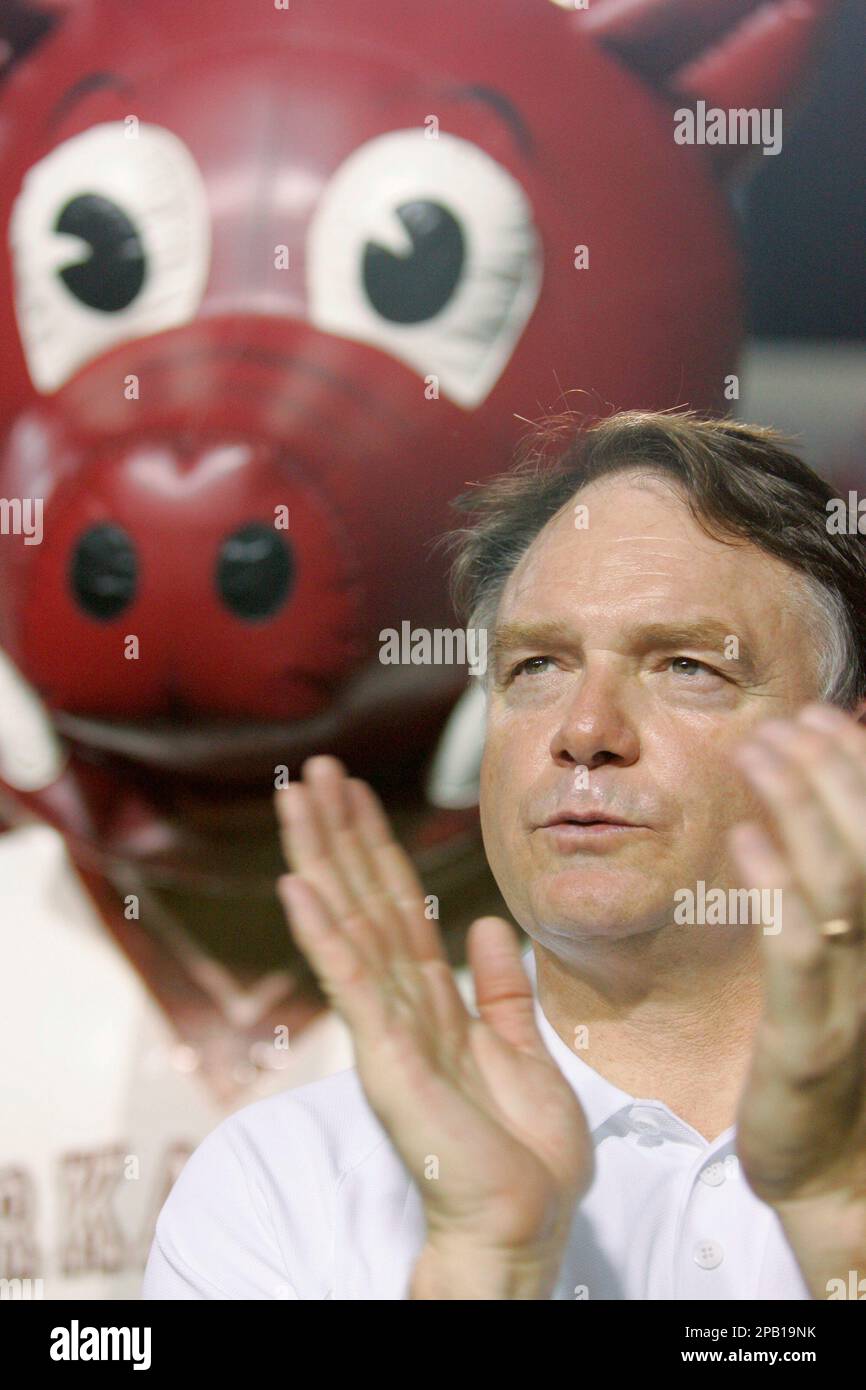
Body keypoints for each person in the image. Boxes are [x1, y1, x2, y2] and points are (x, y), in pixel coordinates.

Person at [142, 409, 866, 1300]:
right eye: (537, 667)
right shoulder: (279, 1187)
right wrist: (489, 1268)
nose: (586, 731)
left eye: (685, 665)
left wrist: (840, 1226)